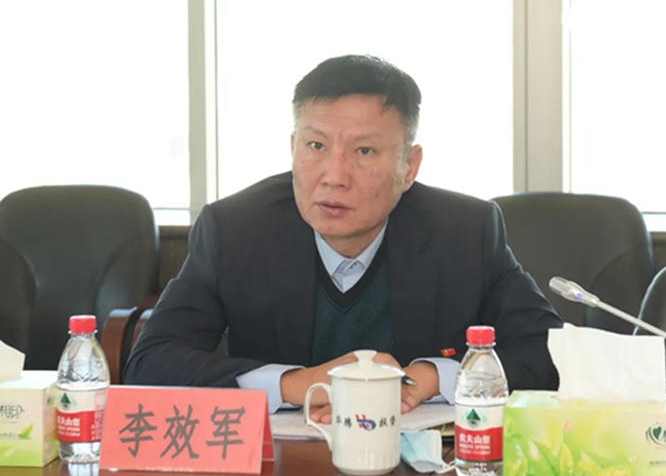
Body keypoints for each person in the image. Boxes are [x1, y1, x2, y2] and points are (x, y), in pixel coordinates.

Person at [124, 54, 563, 422]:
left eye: (364, 151)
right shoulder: (235, 230)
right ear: (293, 147)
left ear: (409, 167)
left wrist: (432, 377)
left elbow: (551, 353)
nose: (334, 176)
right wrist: (298, 383)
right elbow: (150, 362)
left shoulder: (465, 231)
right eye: (316, 146)